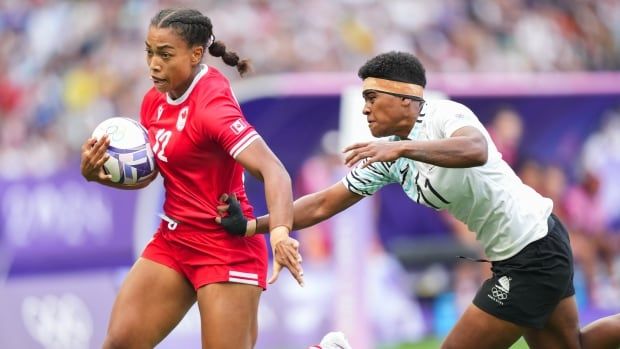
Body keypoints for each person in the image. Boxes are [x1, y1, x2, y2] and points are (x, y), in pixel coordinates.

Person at [217, 51, 620, 348]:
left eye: (373, 97)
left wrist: (402, 150)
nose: (366, 108)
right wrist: (255, 224)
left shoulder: (442, 115)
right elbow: (324, 203)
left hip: (534, 250)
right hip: (524, 251)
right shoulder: (387, 153)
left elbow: (475, 149)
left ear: (406, 98)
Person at [80, 8, 303, 349]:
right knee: (118, 344)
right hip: (174, 239)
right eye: (149, 51)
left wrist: (280, 235)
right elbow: (156, 170)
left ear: (196, 54)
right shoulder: (153, 101)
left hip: (225, 247)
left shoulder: (212, 105)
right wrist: (98, 175)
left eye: (165, 55)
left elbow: (275, 172)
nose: (153, 63)